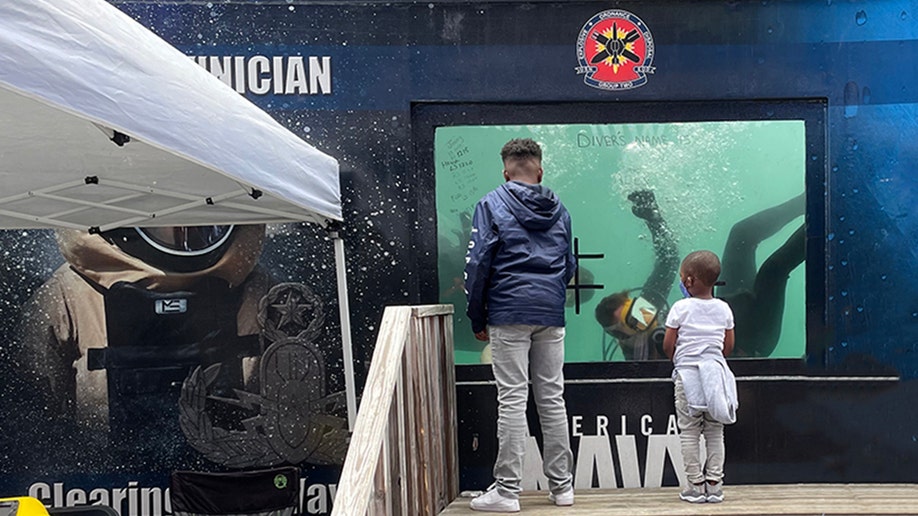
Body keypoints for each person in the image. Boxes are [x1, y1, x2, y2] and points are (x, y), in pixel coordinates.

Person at [464, 138, 576, 512]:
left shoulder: (491, 203)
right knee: (551, 397)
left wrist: (477, 315)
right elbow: (569, 265)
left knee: (512, 399)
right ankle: (563, 489)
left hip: (509, 311)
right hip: (550, 313)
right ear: (539, 170)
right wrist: (550, 299)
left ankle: (508, 492)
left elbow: (479, 262)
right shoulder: (560, 209)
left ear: (506, 171)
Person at [596, 192, 805, 359]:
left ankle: (810, 198)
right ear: (622, 338)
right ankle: (824, 218)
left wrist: (653, 217)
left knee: (741, 235)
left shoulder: (646, 308)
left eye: (639, 310)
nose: (647, 317)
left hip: (731, 313)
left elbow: (668, 262)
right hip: (750, 344)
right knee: (772, 272)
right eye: (634, 321)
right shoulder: (641, 365)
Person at [662, 250, 738, 504]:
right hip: (716, 375)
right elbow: (728, 346)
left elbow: (668, 344)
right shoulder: (724, 309)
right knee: (715, 432)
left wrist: (679, 359)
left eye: (682, 277)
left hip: (687, 375)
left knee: (690, 432)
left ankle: (695, 486)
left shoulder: (680, 308)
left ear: (689, 281)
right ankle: (715, 486)